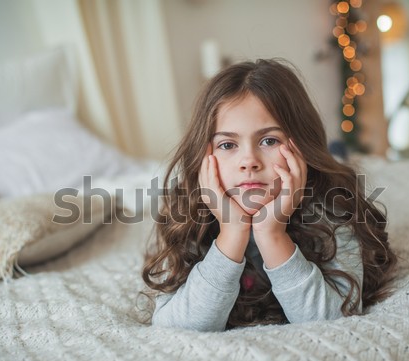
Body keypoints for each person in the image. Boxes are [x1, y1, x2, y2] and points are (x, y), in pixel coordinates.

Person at [142, 58, 396, 331]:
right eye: (228, 144)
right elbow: (177, 327)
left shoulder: (332, 211)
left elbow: (335, 323)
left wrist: (271, 233)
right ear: (203, 157)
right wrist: (232, 232)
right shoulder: (188, 216)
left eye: (269, 141)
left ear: (302, 146)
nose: (249, 161)